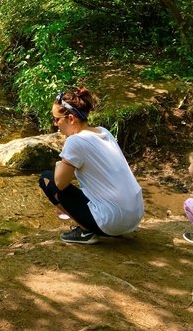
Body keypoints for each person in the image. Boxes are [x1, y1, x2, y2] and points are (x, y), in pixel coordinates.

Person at [38, 87, 144, 244]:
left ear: (71, 119)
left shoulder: (75, 141)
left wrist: (60, 161)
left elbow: (60, 183)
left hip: (112, 223)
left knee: (46, 179)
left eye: (56, 119)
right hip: (135, 217)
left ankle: (86, 231)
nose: (55, 124)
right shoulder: (103, 132)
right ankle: (95, 222)